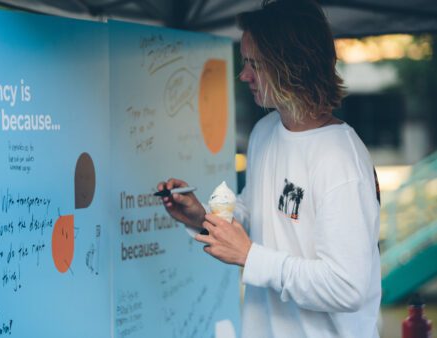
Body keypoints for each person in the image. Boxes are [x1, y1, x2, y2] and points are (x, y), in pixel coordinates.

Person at [157, 0, 381, 337]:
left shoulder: (340, 158)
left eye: (255, 65)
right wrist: (201, 217)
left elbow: (348, 287)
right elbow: (257, 215)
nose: (243, 75)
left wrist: (251, 257)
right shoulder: (264, 132)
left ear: (292, 65)